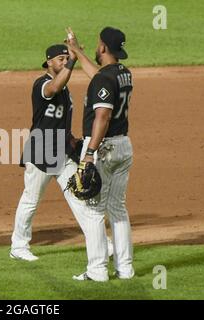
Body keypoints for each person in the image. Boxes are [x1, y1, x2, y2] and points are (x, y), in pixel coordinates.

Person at [10, 43, 109, 282]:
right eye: (61, 59)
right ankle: (19, 246)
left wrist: (72, 140)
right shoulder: (42, 84)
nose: (65, 62)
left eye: (67, 58)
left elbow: (59, 121)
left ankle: (102, 244)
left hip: (62, 153)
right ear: (49, 62)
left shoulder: (66, 91)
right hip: (41, 152)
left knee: (80, 196)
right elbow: (54, 86)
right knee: (31, 199)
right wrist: (74, 60)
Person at [66, 27, 135, 280]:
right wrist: (77, 50)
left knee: (93, 210)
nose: (96, 48)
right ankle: (125, 269)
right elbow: (99, 77)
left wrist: (88, 154)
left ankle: (97, 271)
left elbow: (102, 117)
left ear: (104, 47)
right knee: (118, 208)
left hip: (102, 148)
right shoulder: (123, 73)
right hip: (123, 147)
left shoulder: (104, 79)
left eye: (98, 44)